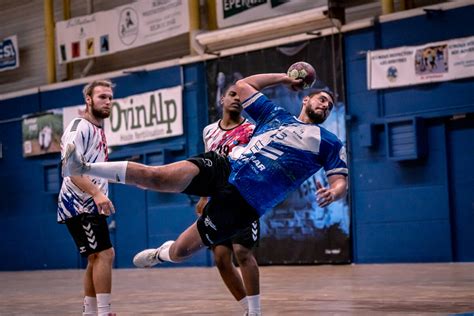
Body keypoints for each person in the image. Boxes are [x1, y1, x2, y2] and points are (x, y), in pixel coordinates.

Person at [62, 72, 348, 315]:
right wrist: (284, 78)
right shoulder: (276, 114)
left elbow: (339, 181)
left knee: (182, 251)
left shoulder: (330, 143)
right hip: (225, 166)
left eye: (330, 104)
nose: (326, 104)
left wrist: (334, 193)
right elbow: (244, 85)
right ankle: (84, 165)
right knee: (158, 176)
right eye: (321, 98)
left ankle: (161, 254)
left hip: (245, 201)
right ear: (306, 99)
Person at [197, 83, 261, 314]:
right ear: (222, 99)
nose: (237, 99)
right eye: (232, 95)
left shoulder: (254, 129)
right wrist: (204, 196)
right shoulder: (208, 131)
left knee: (242, 252)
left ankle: (255, 311)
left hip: (244, 198)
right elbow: (209, 165)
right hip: (217, 200)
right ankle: (246, 308)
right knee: (222, 258)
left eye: (241, 97)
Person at [58, 80, 116, 316]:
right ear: (88, 100)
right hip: (78, 203)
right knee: (105, 254)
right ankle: (103, 313)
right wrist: (97, 193)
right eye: (102, 96)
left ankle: (90, 312)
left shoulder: (99, 130)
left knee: (95, 257)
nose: (108, 102)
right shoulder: (78, 127)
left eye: (110, 97)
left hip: (89, 202)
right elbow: (71, 169)